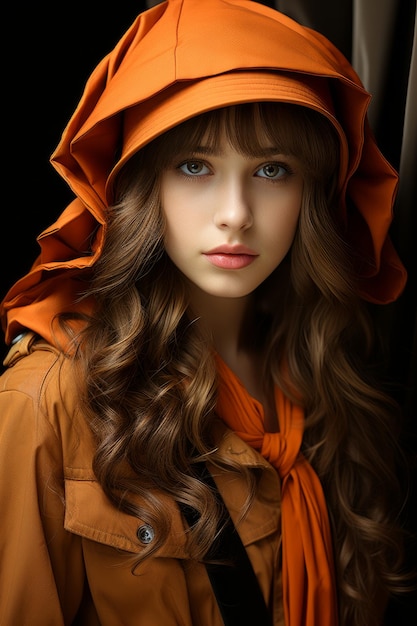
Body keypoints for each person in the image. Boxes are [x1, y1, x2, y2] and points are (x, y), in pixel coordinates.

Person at [0, 1, 413, 625]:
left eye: (273, 170)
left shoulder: (326, 372)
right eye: (195, 166)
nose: (236, 212)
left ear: (312, 193)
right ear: (144, 187)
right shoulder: (49, 399)